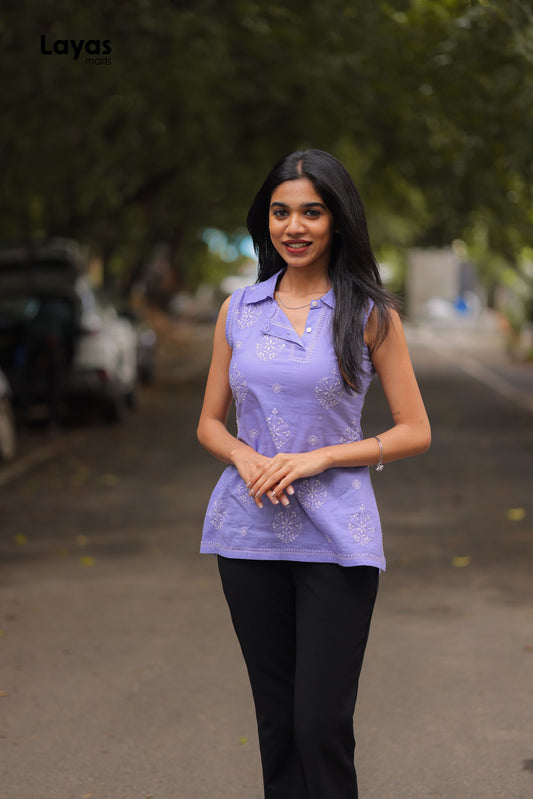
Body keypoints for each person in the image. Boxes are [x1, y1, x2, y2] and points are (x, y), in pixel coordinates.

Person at [197, 148, 431, 799]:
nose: (293, 225)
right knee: (276, 722)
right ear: (264, 221)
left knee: (319, 720)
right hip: (246, 532)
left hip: (338, 535)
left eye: (311, 211)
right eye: (280, 211)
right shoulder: (237, 310)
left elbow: (415, 429)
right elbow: (209, 422)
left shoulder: (369, 314)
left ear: (337, 220)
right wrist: (244, 454)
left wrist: (323, 454)